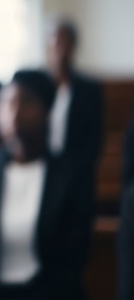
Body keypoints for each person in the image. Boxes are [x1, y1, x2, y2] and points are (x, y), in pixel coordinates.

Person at [0, 70, 95, 300]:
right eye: (7, 102)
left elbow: (72, 261)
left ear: (47, 110)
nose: (14, 112)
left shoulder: (71, 176)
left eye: (26, 102)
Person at [46, 15, 104, 178]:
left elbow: (94, 139)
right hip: (45, 169)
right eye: (55, 42)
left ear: (74, 46)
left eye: (65, 42)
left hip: (77, 172)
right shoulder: (40, 86)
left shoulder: (89, 89)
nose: (60, 49)